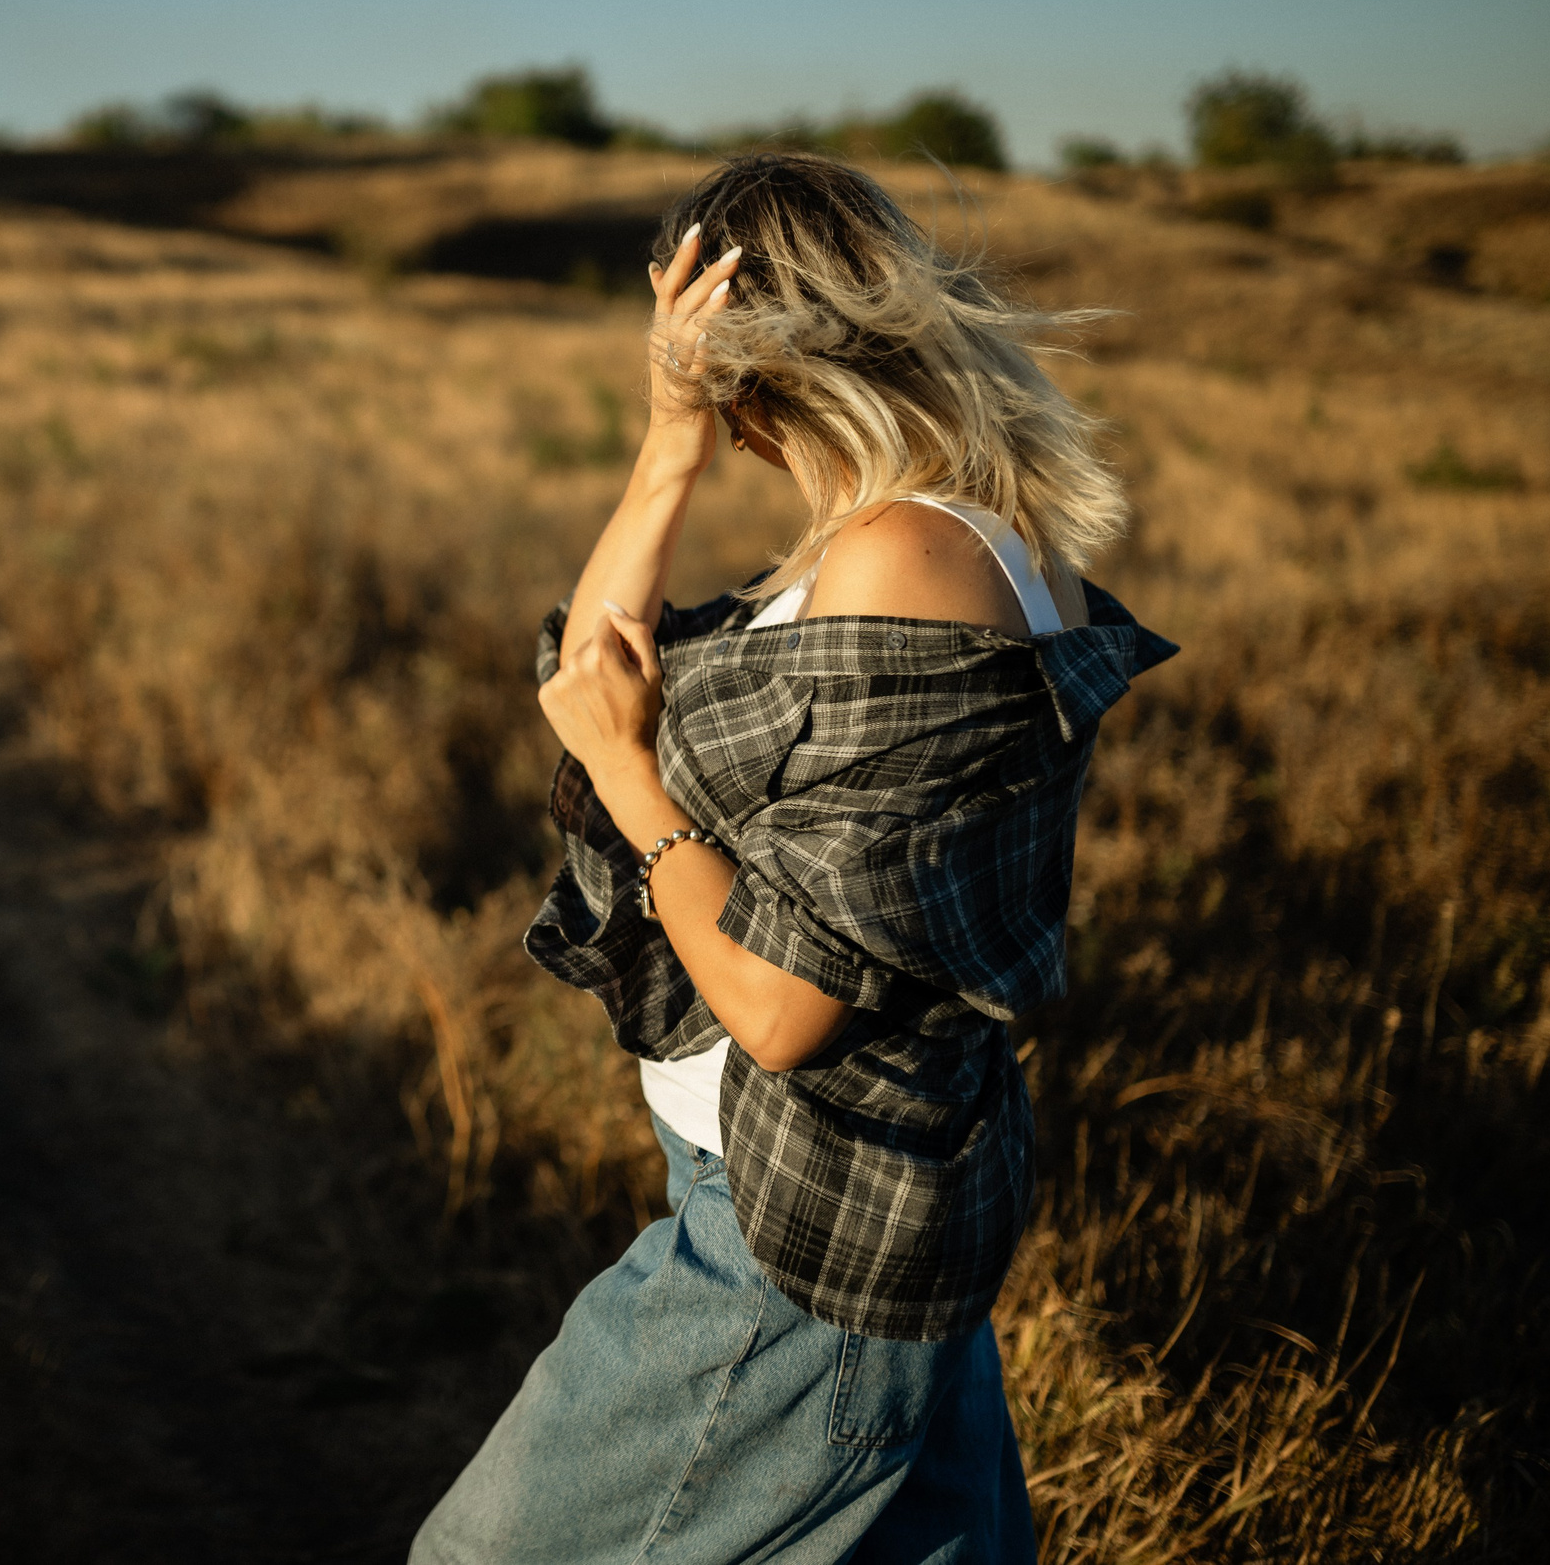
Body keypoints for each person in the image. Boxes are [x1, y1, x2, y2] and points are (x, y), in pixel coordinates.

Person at [411, 155, 1176, 1563]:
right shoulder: (928, 536)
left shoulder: (908, 558)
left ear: (753, 350)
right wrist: (669, 444)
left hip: (794, 1235)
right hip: (856, 1196)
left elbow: (780, 1007)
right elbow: (593, 675)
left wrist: (637, 781)